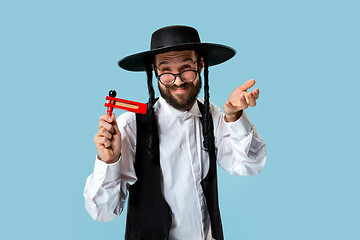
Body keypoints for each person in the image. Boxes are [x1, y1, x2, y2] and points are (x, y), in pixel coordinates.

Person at [84, 25, 267, 240]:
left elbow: (249, 166)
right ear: (155, 72)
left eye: (186, 68)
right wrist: (110, 161)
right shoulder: (130, 127)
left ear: (200, 65)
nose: (178, 80)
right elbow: (103, 212)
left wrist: (234, 117)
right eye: (166, 71)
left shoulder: (213, 116)